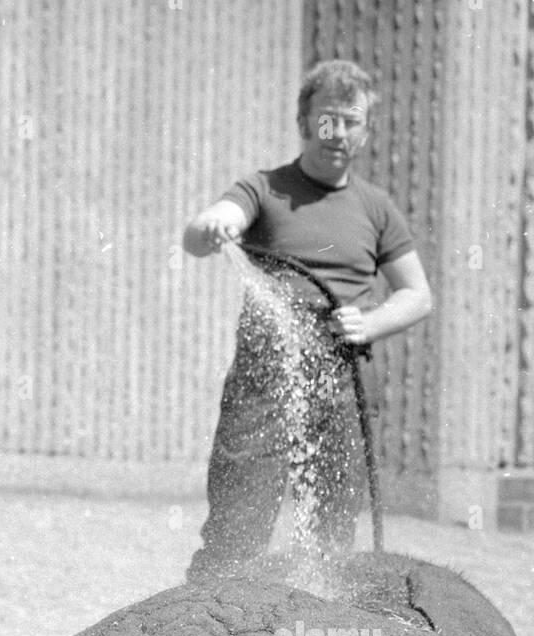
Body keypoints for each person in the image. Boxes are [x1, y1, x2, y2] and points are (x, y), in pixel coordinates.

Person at [183, 59, 432, 582]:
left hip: (342, 383)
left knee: (330, 539)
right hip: (264, 379)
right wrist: (211, 226)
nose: (337, 133)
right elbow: (213, 224)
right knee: (236, 528)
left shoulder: (376, 208)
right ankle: (208, 635)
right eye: (327, 119)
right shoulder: (264, 189)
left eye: (350, 121)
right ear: (303, 121)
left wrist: (371, 323)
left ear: (364, 132)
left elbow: (417, 294)